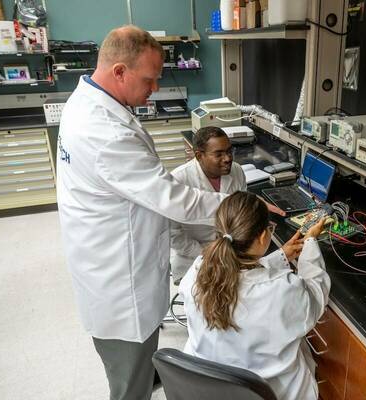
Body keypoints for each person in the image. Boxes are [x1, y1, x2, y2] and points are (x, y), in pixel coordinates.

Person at [56, 26, 227, 400]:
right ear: (119, 71)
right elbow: (171, 198)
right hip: (120, 284)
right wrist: (235, 205)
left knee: (134, 369)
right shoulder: (104, 132)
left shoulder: (87, 101)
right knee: (129, 386)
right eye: (149, 80)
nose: (154, 89)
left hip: (107, 260)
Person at [179, 192, 330, 400]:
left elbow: (243, 278)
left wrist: (279, 258)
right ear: (262, 236)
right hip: (273, 393)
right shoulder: (281, 290)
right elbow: (315, 293)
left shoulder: (198, 270)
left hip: (211, 389)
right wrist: (311, 243)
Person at [171, 126, 286, 282]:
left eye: (229, 151)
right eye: (218, 154)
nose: (227, 158)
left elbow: (241, 213)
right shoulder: (178, 180)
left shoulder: (236, 170)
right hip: (194, 260)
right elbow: (173, 235)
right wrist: (206, 251)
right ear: (199, 156)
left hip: (233, 254)